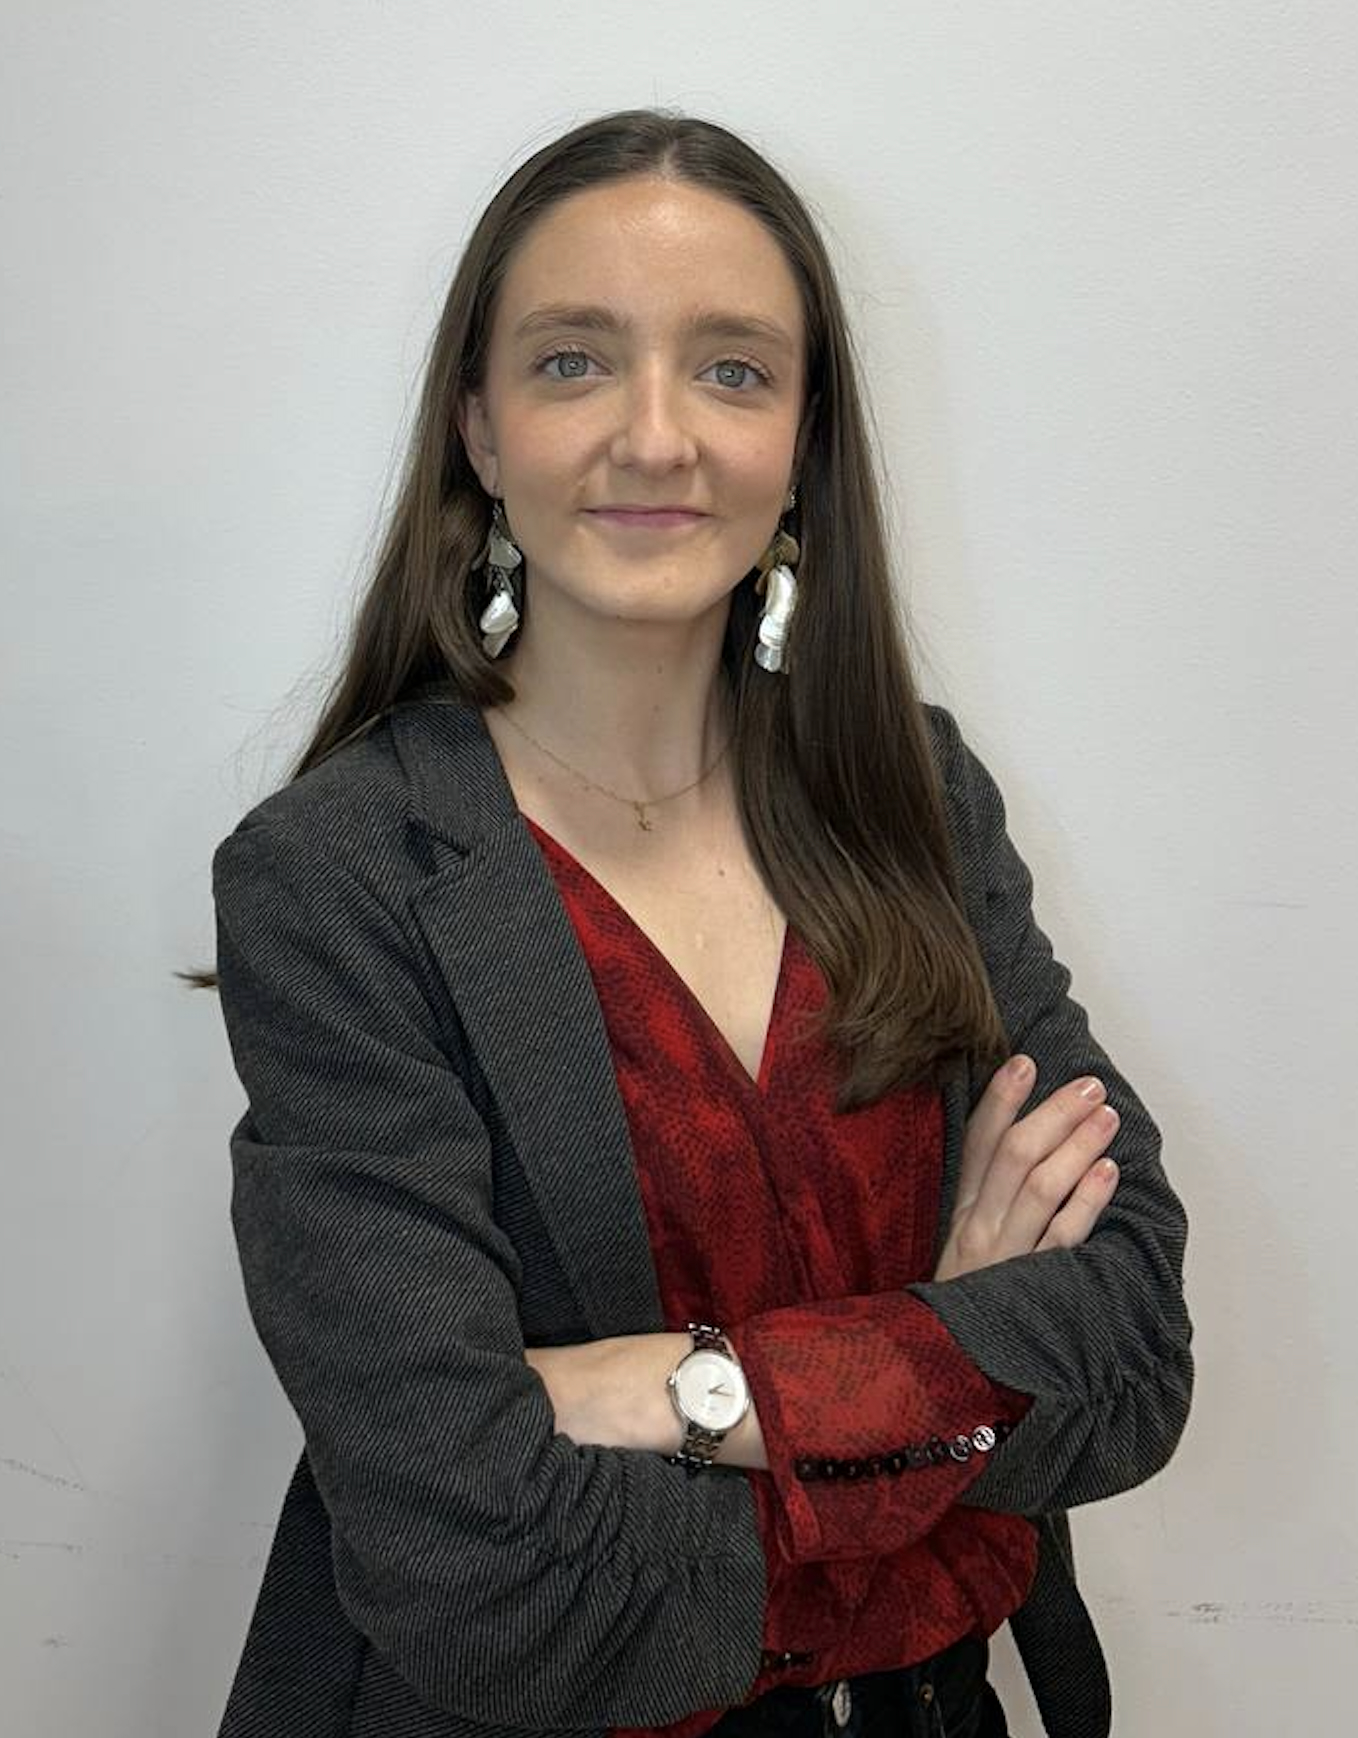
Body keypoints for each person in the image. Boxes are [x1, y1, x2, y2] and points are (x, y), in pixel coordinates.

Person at [204, 108, 1192, 1738]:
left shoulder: (915, 798)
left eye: (732, 370)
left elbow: (1131, 1343)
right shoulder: (341, 876)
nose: (655, 437)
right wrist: (943, 1385)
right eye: (573, 362)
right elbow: (473, 1556)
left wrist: (674, 1389)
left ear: (802, 439)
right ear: (479, 427)